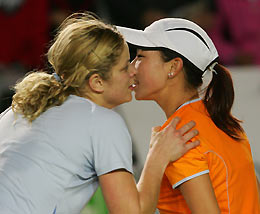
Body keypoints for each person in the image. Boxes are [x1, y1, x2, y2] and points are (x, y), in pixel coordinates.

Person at [0, 12, 200, 214]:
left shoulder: (19, 109)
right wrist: (158, 157)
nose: (133, 71)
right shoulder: (102, 121)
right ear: (97, 82)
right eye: (124, 68)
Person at [117, 17, 260, 213]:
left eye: (140, 57)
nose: (131, 68)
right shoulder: (221, 121)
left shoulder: (180, 135)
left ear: (173, 67)